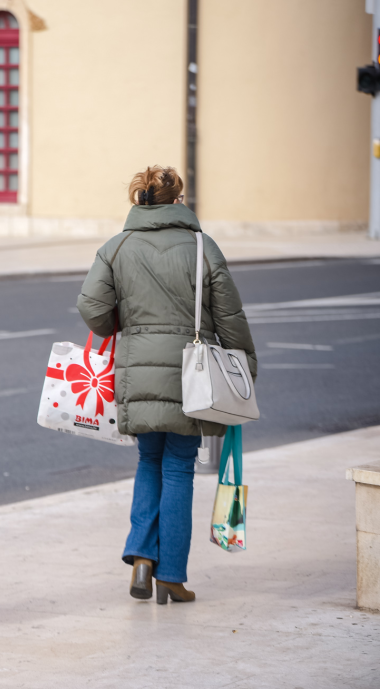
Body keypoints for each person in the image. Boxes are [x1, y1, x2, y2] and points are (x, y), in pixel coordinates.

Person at [77, 166, 256, 605]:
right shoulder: (202, 247)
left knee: (148, 461)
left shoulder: (117, 247)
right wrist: (245, 366)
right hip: (192, 377)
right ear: (178, 201)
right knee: (178, 468)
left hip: (137, 370)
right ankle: (171, 576)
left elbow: (92, 308)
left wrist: (127, 323)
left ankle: (141, 557)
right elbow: (229, 316)